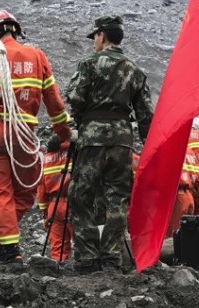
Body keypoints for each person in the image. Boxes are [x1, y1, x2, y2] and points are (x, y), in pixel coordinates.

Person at [0, 10, 72, 268]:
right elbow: (54, 101)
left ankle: (7, 251)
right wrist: (65, 134)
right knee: (25, 192)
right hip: (26, 136)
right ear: (15, 30)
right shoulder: (37, 56)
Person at [64, 15, 153, 272]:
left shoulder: (89, 63)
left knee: (81, 195)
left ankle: (87, 257)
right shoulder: (134, 69)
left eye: (95, 37)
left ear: (102, 35)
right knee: (117, 199)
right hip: (122, 142)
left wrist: (80, 121)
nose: (93, 42)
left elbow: (76, 97)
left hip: (92, 140)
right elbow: (146, 113)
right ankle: (112, 258)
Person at [37, 136, 73, 261]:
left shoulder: (46, 158)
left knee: (58, 246)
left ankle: (59, 268)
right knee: (84, 242)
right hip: (75, 203)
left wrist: (44, 213)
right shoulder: (77, 154)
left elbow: (41, 189)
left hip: (54, 206)